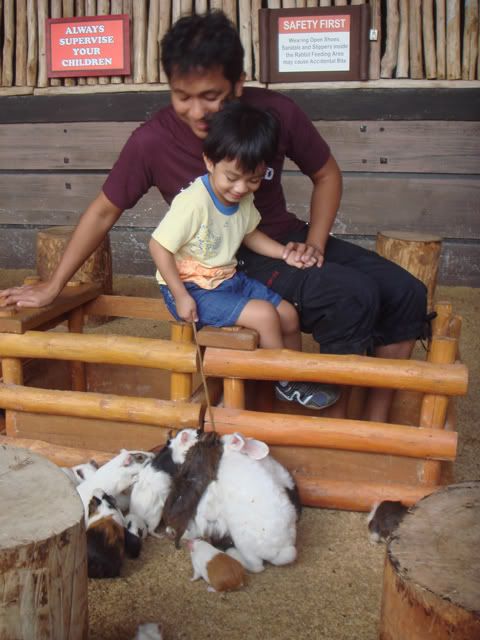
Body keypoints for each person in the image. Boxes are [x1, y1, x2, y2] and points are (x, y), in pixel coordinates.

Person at [0, 11, 428, 422]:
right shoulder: (152, 141)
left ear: (238, 83)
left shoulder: (276, 113)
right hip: (225, 259)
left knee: (405, 291)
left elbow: (326, 174)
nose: (196, 111)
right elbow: (103, 210)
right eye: (181, 96)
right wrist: (53, 285)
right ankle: (334, 430)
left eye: (210, 96)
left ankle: (377, 421)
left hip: (279, 238)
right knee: (349, 294)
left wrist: (314, 244)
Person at [150, 101, 337, 410]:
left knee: (288, 314)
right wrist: (180, 295)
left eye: (253, 180)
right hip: (191, 287)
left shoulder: (243, 197)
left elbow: (249, 233)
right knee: (264, 315)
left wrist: (284, 253)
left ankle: (295, 376)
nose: (240, 188)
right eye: (233, 177)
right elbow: (159, 246)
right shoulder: (193, 202)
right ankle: (285, 382)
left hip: (226, 278)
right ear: (209, 161)